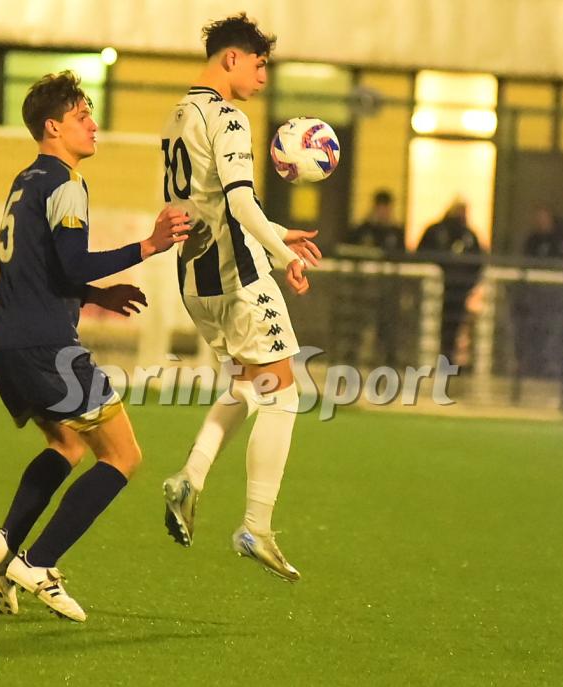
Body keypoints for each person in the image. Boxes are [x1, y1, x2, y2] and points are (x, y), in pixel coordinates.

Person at [0, 71, 189, 623]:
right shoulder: (66, 183)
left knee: (67, 443)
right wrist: (149, 245)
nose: (94, 125)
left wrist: (98, 294)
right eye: (81, 116)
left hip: (4, 344)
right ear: (53, 127)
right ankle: (40, 562)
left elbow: (47, 269)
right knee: (123, 456)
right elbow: (71, 264)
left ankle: (7, 542)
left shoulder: (27, 179)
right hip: (46, 347)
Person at [158, 14, 321, 582]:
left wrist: (277, 233)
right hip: (238, 277)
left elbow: (211, 205)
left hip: (195, 281)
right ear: (232, 58)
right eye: (259, 64)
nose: (262, 78)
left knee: (251, 384)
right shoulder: (227, 116)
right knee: (284, 394)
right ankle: (257, 526)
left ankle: (191, 477)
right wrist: (282, 254)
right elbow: (240, 201)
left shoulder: (177, 115)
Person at [334, 189, 407, 367]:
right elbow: (347, 249)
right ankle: (351, 357)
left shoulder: (396, 232)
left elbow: (403, 257)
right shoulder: (362, 230)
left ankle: (386, 359)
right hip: (362, 288)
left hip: (387, 289)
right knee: (357, 324)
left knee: (386, 325)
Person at [416, 198, 482, 363]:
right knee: (431, 323)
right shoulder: (436, 231)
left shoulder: (469, 235)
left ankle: (447, 359)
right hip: (434, 291)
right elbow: (421, 255)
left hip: (458, 290)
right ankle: (430, 359)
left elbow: (478, 262)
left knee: (454, 326)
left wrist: (467, 284)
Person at [511, 205, 563, 378]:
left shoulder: (560, 241)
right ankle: (530, 364)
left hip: (553, 294)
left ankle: (549, 365)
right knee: (531, 329)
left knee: (551, 330)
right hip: (534, 294)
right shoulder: (532, 241)